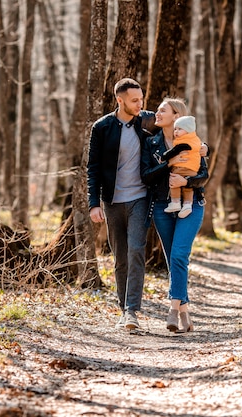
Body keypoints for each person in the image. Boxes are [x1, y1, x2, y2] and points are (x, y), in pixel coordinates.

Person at [87, 78, 153, 330]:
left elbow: (178, 129)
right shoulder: (102, 127)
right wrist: (94, 203)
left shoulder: (147, 120)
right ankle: (123, 308)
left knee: (136, 250)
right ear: (120, 100)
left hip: (140, 198)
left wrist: (202, 147)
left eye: (141, 99)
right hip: (112, 201)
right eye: (135, 100)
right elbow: (92, 168)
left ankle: (131, 312)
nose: (140, 104)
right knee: (120, 258)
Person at [140, 98, 209, 333]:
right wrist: (169, 163)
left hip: (192, 204)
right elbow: (146, 176)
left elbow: (203, 175)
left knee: (179, 254)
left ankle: (171, 310)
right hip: (162, 205)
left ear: (176, 115)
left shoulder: (195, 142)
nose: (156, 113)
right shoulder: (152, 143)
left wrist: (185, 181)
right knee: (173, 259)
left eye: (162, 110)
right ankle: (185, 312)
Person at [164, 115, 202, 219]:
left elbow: (173, 151)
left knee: (174, 181)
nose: (176, 131)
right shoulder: (196, 140)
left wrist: (165, 156)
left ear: (188, 130)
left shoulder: (183, 142)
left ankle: (175, 202)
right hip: (193, 169)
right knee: (188, 188)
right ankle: (187, 205)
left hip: (182, 167)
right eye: (175, 129)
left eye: (180, 129)